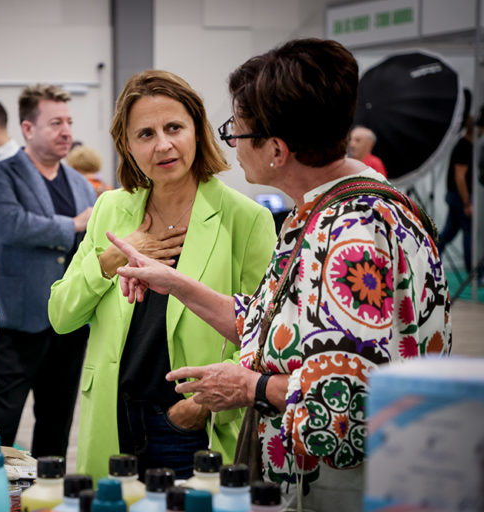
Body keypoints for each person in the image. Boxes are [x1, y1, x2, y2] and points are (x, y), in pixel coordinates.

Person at [107, 39, 451, 510]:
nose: (231, 142)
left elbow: (343, 414)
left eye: (237, 130)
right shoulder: (338, 208)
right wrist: (174, 283)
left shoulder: (349, 235)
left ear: (276, 149)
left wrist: (249, 387)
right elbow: (271, 328)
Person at [48, 70, 277, 482]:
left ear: (197, 131)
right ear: (127, 145)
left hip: (190, 424)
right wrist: (109, 260)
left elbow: (263, 335)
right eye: (146, 134)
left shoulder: (245, 219)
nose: (163, 145)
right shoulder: (110, 209)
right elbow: (62, 316)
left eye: (174, 128)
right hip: (113, 413)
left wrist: (198, 406)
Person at [0, 84, 96, 458]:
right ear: (28, 128)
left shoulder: (80, 184)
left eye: (69, 122)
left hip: (68, 325)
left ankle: (50, 487)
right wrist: (73, 225)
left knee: (56, 424)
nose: (66, 131)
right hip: (15, 323)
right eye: (55, 123)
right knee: (0, 425)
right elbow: (11, 224)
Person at [438, 115, 474, 272]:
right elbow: (459, 176)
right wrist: (467, 202)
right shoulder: (464, 146)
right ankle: (473, 272)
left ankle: (432, 260)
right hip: (459, 197)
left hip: (457, 196)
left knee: (449, 232)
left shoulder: (468, 145)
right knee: (469, 231)